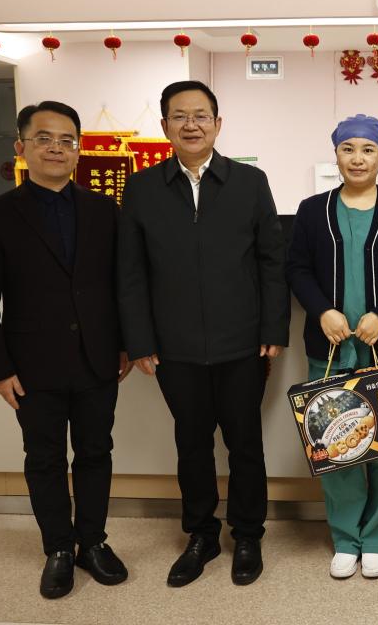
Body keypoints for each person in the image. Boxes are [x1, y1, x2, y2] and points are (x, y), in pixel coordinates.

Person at [117, 80, 289, 587]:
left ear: (217, 123)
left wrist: (273, 327)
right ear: (164, 125)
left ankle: (248, 534)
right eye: (179, 116)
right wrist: (140, 340)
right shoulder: (143, 188)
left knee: (245, 443)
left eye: (201, 115)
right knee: (191, 443)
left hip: (243, 343)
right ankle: (201, 534)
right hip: (174, 347)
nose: (191, 125)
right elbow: (131, 273)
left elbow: (271, 261)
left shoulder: (249, 182)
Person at [0, 101, 132, 599]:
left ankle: (92, 542)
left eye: (66, 140)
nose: (56, 148)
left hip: (99, 358)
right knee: (44, 458)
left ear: (78, 150)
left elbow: (120, 286)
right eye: (44, 138)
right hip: (30, 364)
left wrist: (125, 345)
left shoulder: (105, 211)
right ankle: (58, 547)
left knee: (96, 452)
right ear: (22, 147)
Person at [286, 114, 378, 579]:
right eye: (347, 149)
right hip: (330, 349)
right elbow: (297, 269)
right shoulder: (312, 211)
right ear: (336, 155)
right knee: (336, 445)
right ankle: (346, 538)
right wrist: (322, 311)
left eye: (367, 150)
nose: (357, 158)